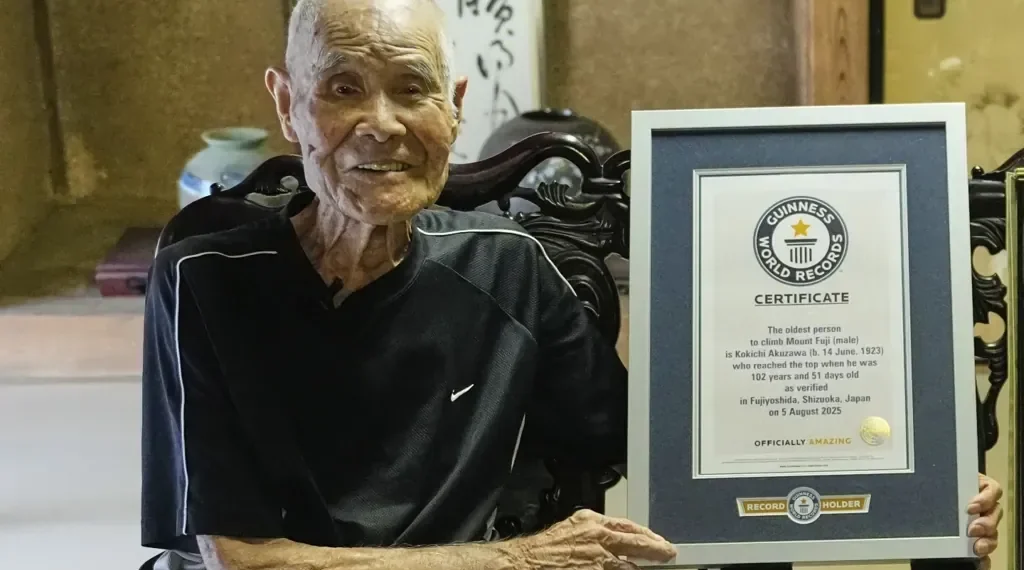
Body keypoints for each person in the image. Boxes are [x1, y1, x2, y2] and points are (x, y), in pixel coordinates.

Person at [140, 0, 1004, 569]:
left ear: (457, 108)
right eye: (341, 89)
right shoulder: (209, 281)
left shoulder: (505, 267)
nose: (383, 125)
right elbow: (242, 559)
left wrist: (919, 492)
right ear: (288, 106)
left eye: (414, 89)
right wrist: (509, 562)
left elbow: (665, 457)